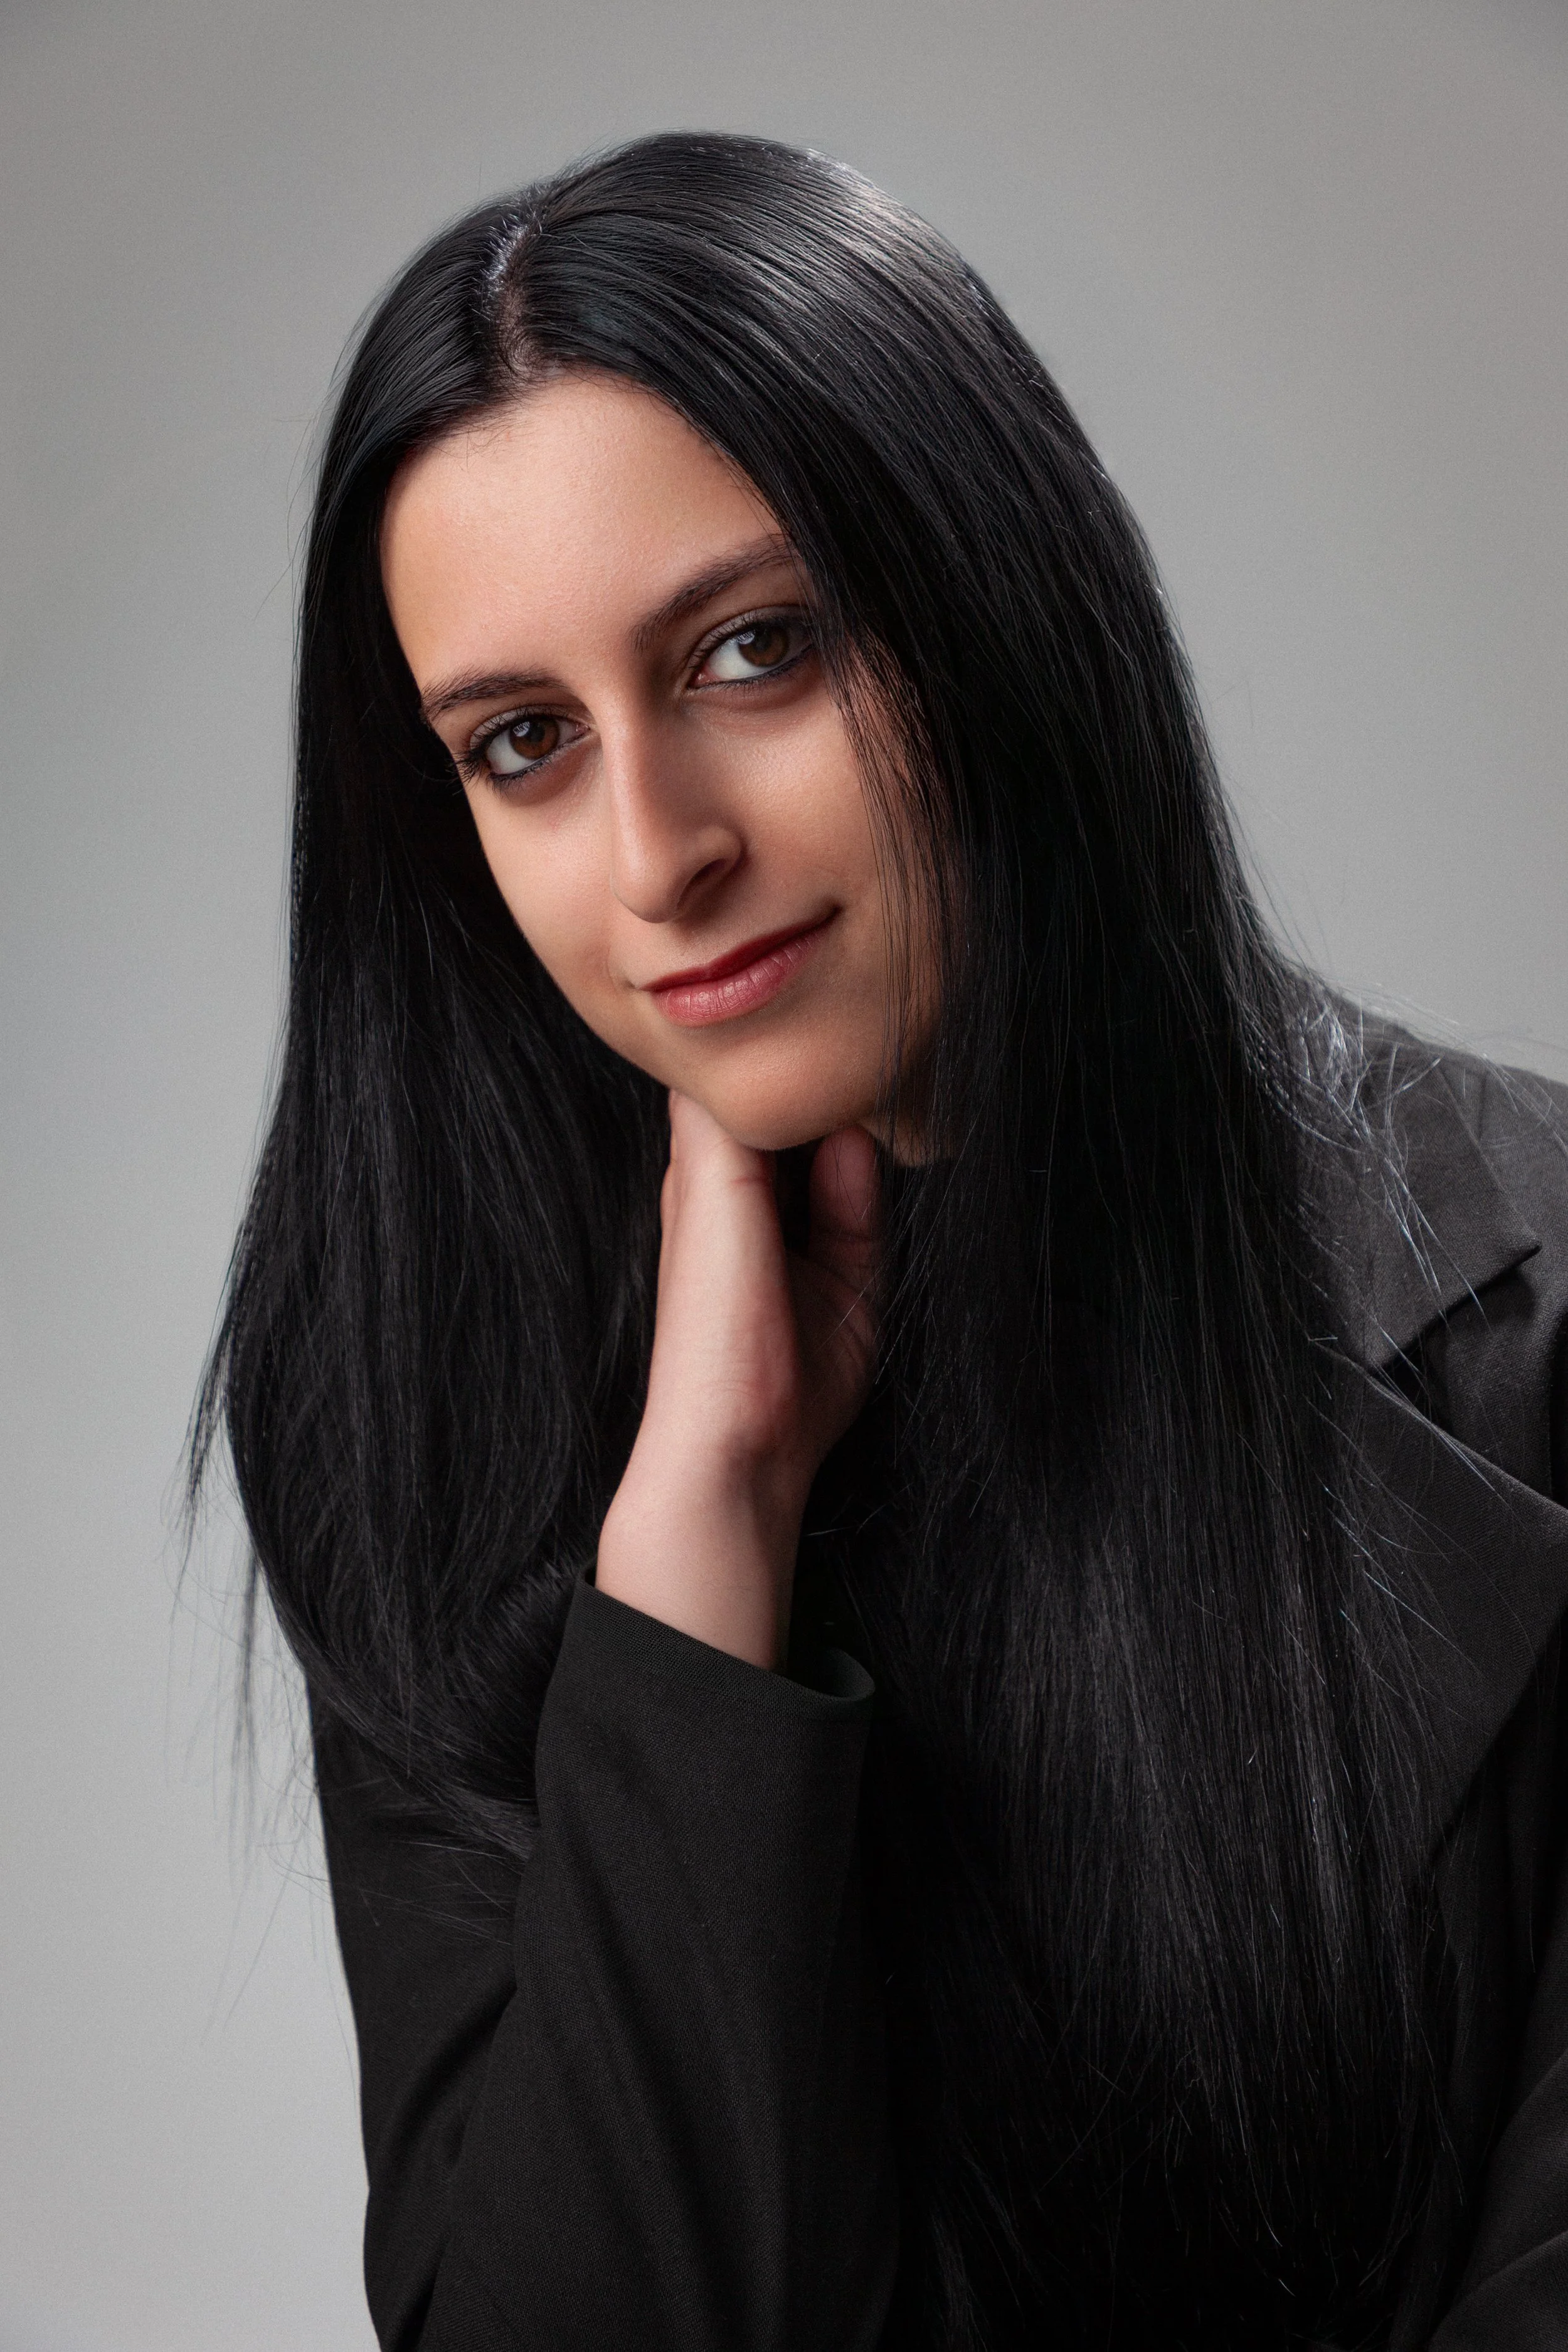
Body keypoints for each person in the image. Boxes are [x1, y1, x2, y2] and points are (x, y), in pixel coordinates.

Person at [194, 131, 1568, 2350]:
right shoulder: (417, 1404)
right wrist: (693, 1561)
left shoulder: (1537, 1321)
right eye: (522, 742)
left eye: (754, 648)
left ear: (996, 601)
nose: (656, 856)